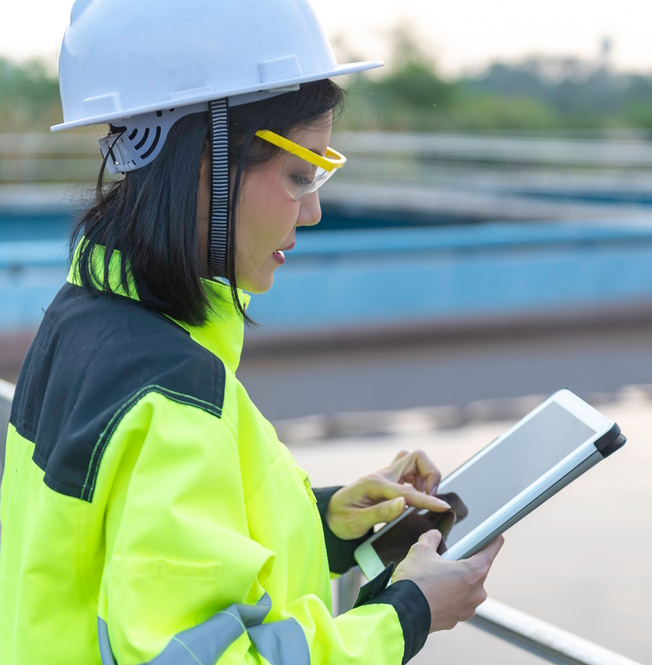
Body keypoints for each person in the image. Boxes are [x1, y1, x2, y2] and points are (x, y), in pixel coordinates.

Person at [0, 0, 503, 663]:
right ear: (202, 160)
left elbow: (132, 556)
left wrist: (328, 520)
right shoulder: (175, 396)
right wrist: (406, 612)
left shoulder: (85, 315)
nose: (315, 208)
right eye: (300, 173)